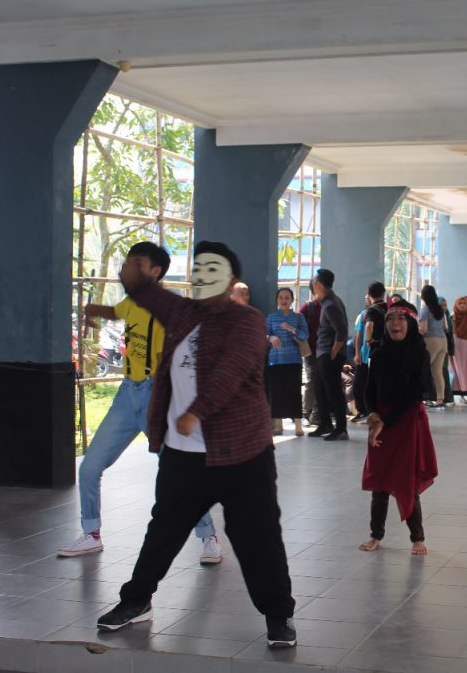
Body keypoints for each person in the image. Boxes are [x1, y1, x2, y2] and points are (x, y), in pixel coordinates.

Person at [96, 241, 297, 648]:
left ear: (231, 279)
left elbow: (232, 370)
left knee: (258, 538)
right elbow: (146, 292)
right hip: (183, 455)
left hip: (242, 454)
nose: (203, 276)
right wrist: (133, 273)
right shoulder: (183, 312)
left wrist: (196, 411)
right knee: (164, 530)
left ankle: (278, 616)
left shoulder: (247, 321)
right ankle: (136, 600)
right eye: (198, 269)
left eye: (212, 269)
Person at [58, 242, 221, 565]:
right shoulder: (132, 302)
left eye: (138, 263)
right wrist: (93, 310)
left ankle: (209, 536)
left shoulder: (169, 310)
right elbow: (116, 312)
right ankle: (91, 533)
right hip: (127, 395)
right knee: (89, 467)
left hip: (155, 394)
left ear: (155, 272)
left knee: (178, 473)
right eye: (128, 262)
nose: (128, 268)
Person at [360, 301, 438, 556]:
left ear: (411, 323)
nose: (395, 324)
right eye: (390, 318)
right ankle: (375, 535)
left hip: (406, 421)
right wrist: (373, 414)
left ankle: (418, 538)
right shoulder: (378, 353)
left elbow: (414, 394)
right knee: (379, 481)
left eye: (401, 319)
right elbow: (369, 389)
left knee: (407, 480)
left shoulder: (418, 354)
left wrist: (385, 422)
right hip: (380, 421)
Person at [309, 268, 350, 441]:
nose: (312, 283)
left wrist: (333, 353)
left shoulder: (331, 304)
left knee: (334, 392)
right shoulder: (328, 301)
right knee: (320, 389)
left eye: (314, 280)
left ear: (318, 284)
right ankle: (325, 423)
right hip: (323, 353)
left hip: (329, 354)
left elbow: (342, 332)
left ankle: (341, 428)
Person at [266, 288, 309, 437]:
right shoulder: (271, 317)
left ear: (292, 300)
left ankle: (298, 426)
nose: (284, 300)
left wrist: (291, 328)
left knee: (294, 392)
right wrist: (271, 338)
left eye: (287, 297)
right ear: (277, 300)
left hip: (294, 359)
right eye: (281, 297)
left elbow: (305, 335)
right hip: (275, 360)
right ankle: (278, 426)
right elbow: (264, 334)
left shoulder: (298, 317)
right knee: (277, 393)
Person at [352, 282, 389, 424]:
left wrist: (365, 344)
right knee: (379, 383)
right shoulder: (390, 310)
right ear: (384, 293)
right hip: (385, 352)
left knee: (360, 384)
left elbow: (361, 334)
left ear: (369, 295)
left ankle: (363, 411)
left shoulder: (368, 312)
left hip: (368, 354)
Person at [418, 285, 448, 409]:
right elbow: (445, 327)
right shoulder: (440, 309)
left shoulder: (425, 310)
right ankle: (440, 399)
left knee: (420, 369)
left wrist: (414, 330)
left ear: (424, 296)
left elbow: (423, 329)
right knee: (438, 372)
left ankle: (419, 398)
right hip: (443, 341)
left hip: (431, 341)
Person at [299, 283, 322, 424]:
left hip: (324, 351)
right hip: (310, 351)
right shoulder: (308, 307)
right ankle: (306, 412)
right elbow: (297, 326)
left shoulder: (329, 306)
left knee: (321, 382)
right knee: (312, 380)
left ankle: (317, 413)